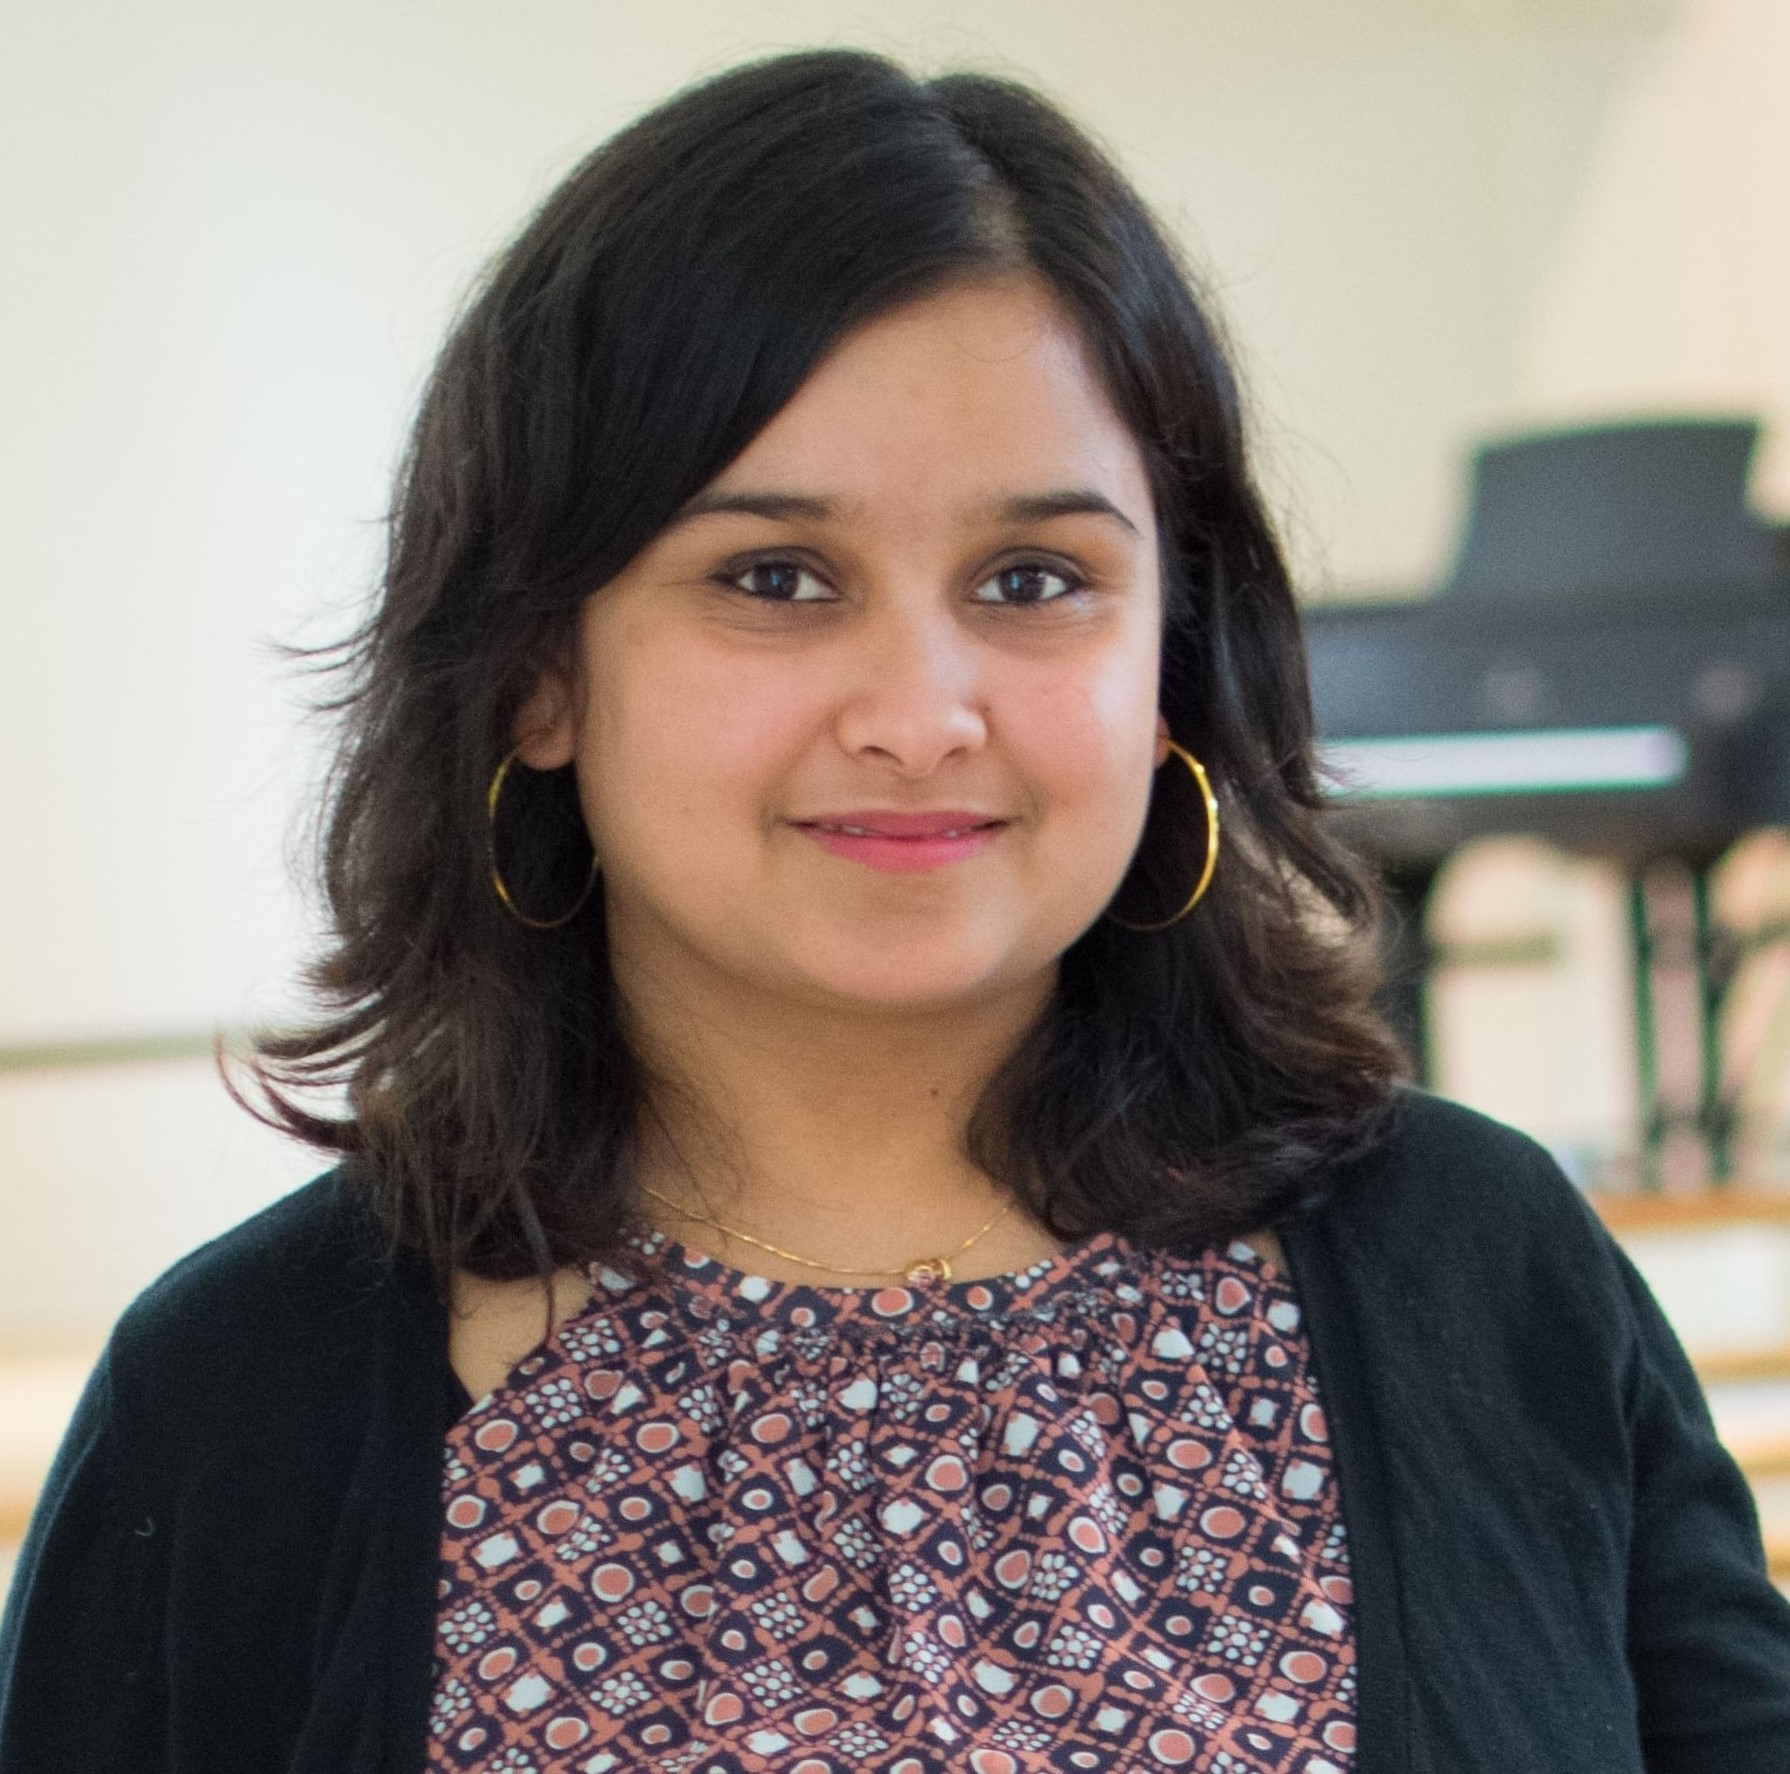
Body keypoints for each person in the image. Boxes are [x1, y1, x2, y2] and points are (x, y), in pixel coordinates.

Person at [2, 46, 1787, 1774]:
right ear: (537, 667)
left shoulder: (1482, 1267)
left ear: (1171, 654)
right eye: (774, 577)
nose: (923, 710)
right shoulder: (237, 1399)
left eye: (1034, 579)